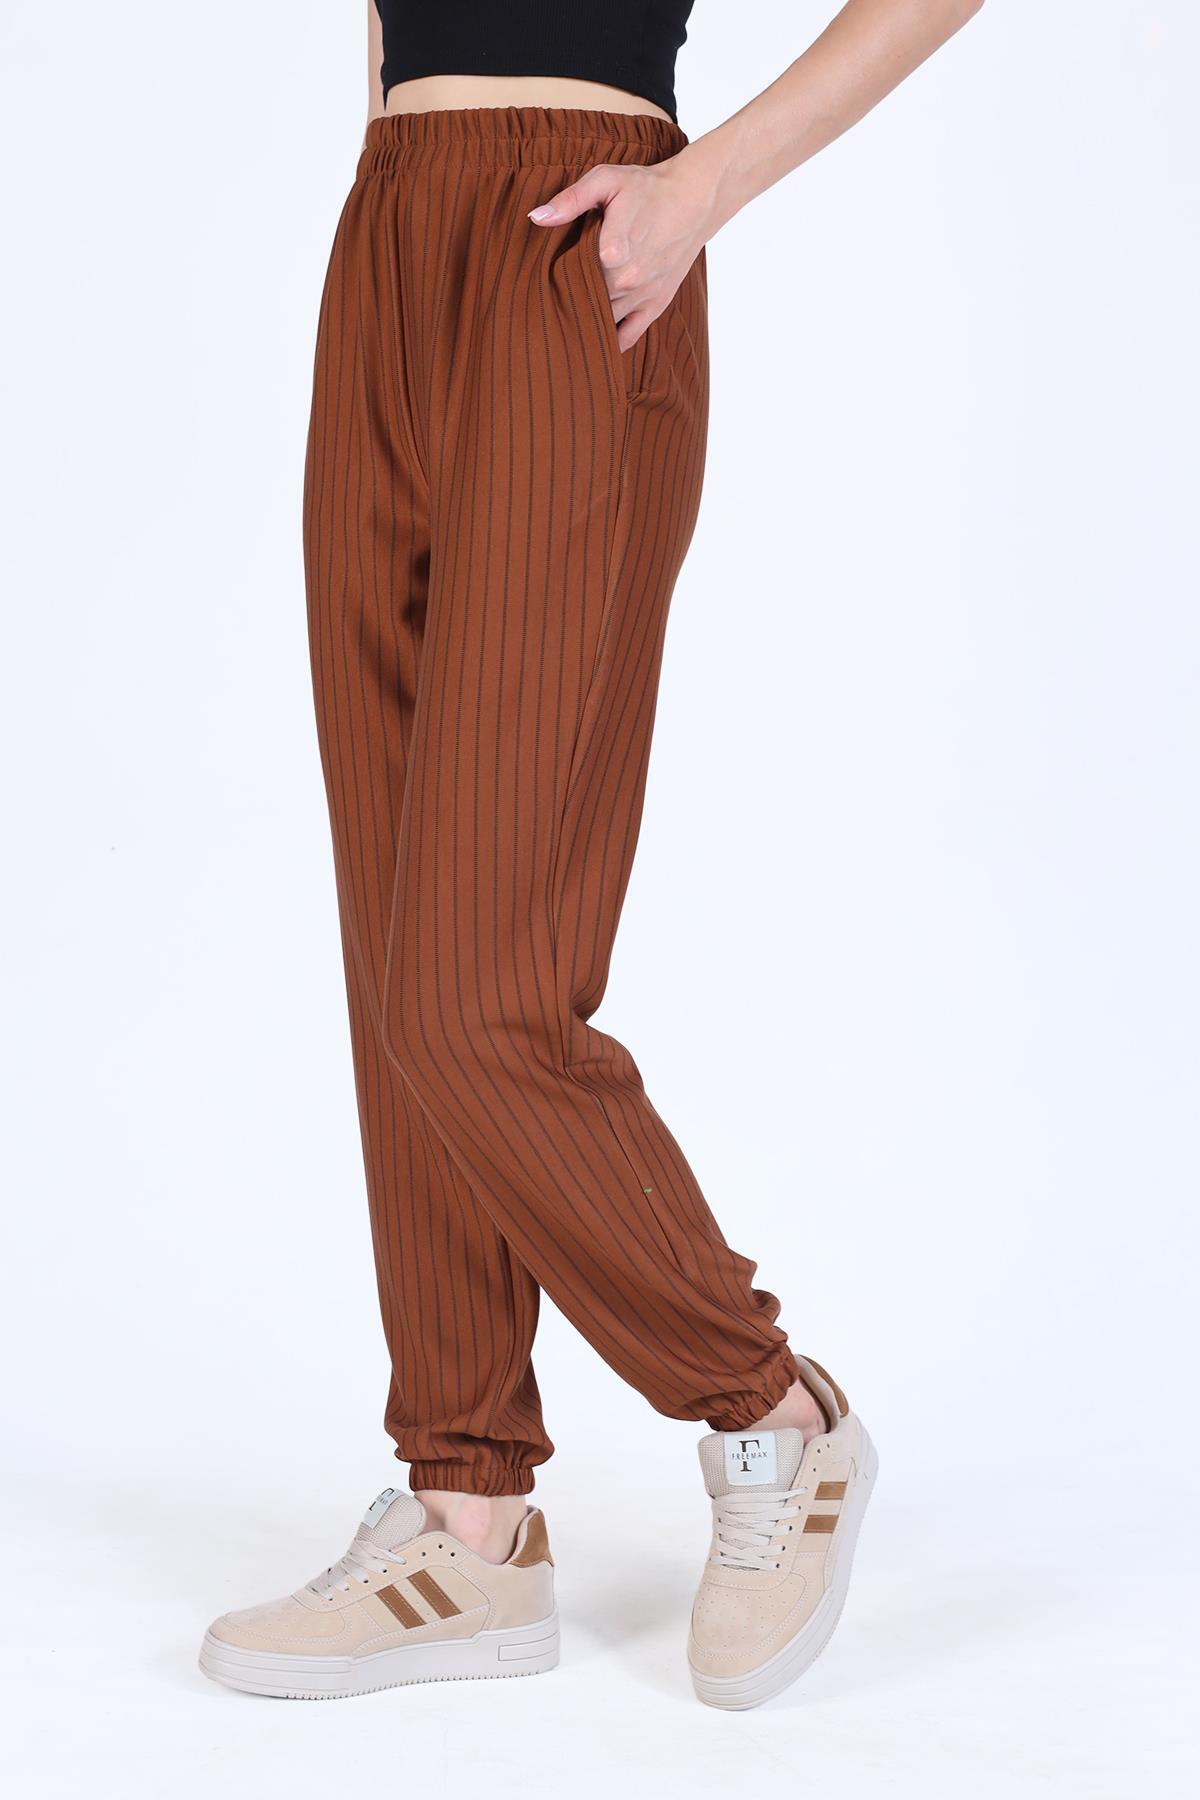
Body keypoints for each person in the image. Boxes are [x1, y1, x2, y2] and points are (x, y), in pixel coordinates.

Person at [200, 0, 984, 1708]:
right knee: (394, 939)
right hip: (390, 226)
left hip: (582, 237)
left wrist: (703, 188)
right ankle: (466, 1518)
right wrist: (392, 165)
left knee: (469, 992)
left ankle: (772, 1408)